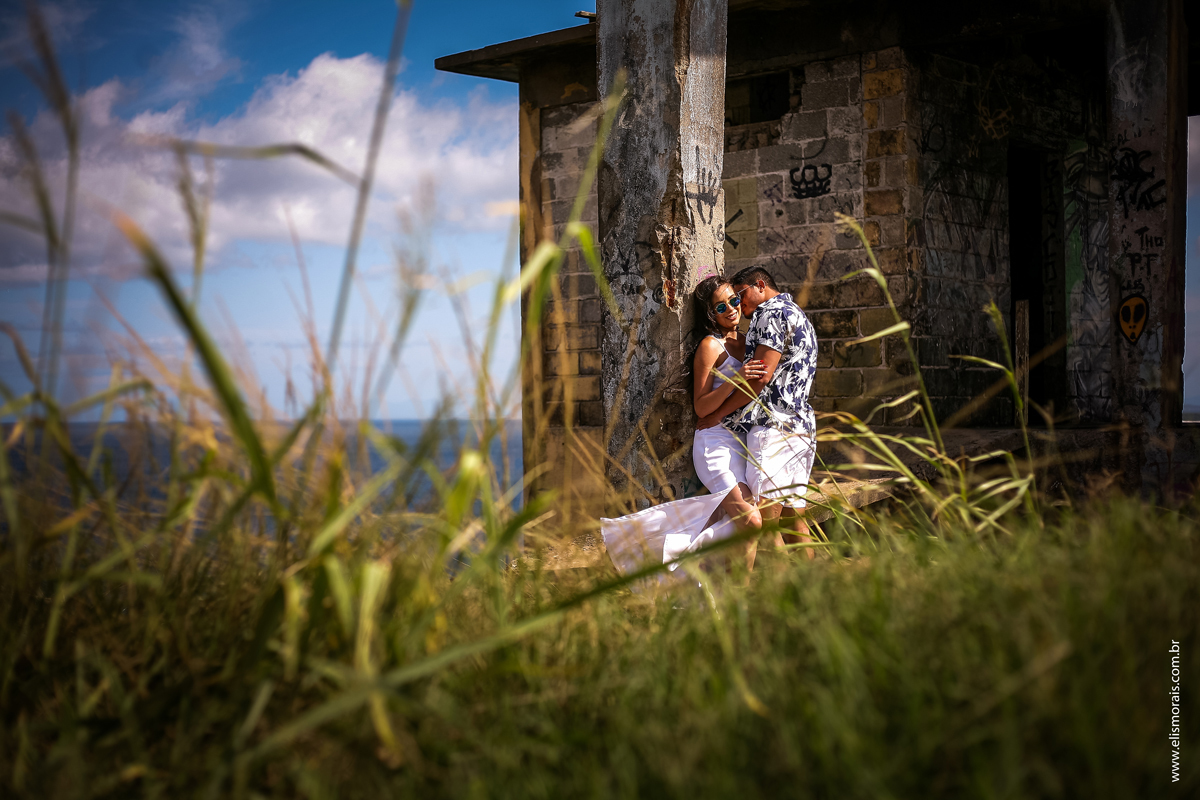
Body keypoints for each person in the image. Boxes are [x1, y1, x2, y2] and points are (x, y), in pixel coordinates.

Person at [599, 276, 767, 579]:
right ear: (710, 313)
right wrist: (737, 378)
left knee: (739, 524)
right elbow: (701, 405)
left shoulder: (750, 340)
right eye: (720, 306)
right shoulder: (710, 346)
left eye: (734, 300)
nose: (730, 308)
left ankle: (720, 593)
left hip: (742, 444)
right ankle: (651, 559)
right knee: (750, 521)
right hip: (715, 444)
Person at [696, 265, 819, 565]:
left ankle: (781, 601)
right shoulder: (796, 314)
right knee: (792, 522)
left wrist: (721, 412)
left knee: (766, 525)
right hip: (801, 428)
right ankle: (815, 593)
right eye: (723, 305)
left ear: (760, 285)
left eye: (739, 298)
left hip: (772, 427)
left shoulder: (769, 316)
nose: (739, 306)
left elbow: (760, 380)